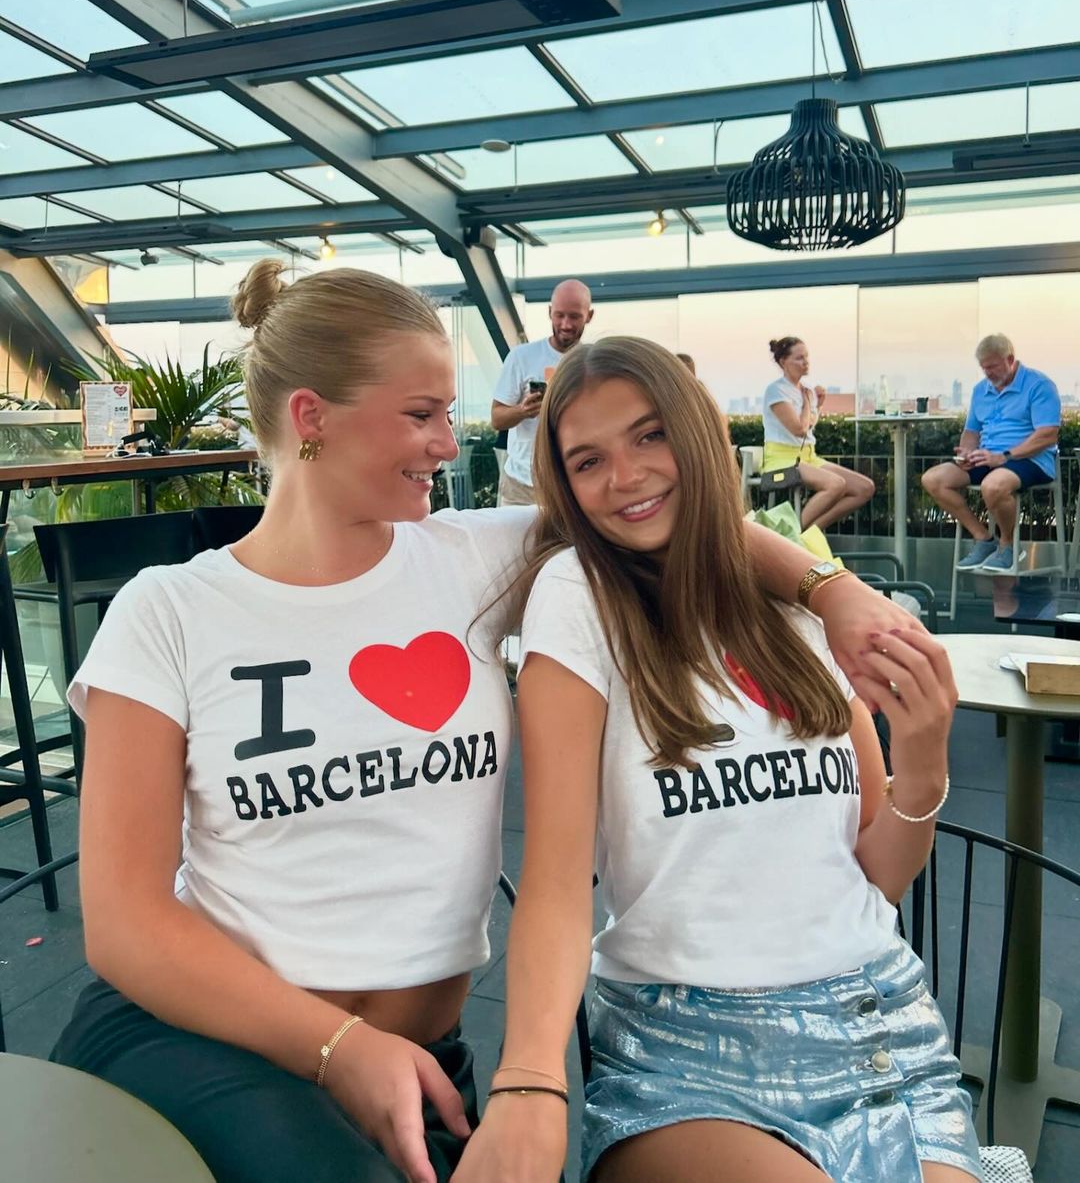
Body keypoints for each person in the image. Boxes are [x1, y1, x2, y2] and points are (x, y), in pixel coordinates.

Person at [49, 263, 933, 1183]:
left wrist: (833, 591)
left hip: (419, 1065)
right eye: (421, 413)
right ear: (312, 417)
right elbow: (125, 923)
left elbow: (668, 510)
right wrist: (341, 1047)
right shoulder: (169, 610)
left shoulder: (472, 556)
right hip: (210, 1042)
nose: (450, 439)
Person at [452, 337, 981, 1183]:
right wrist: (529, 1078)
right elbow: (555, 881)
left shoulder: (799, 611)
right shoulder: (580, 597)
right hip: (687, 1045)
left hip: (882, 1023)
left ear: (695, 432)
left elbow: (876, 873)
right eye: (588, 460)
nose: (625, 475)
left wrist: (921, 761)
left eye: (650, 434)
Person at [922, 334, 1060, 573]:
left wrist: (1005, 456)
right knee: (933, 479)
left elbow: (1047, 435)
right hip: (988, 457)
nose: (988, 373)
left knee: (993, 486)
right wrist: (967, 452)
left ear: (1010, 359)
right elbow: (971, 432)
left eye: (993, 366)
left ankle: (1008, 545)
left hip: (1030, 459)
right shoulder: (980, 390)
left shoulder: (1039, 385)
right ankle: (984, 539)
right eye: (984, 368)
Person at [491, 279, 594, 506]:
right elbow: (497, 419)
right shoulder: (521, 357)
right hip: (521, 485)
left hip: (572, 485)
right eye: (559, 315)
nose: (566, 324)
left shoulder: (595, 362)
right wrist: (523, 411)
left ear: (589, 316)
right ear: (549, 312)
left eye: (574, 316)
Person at [763, 335, 874, 531]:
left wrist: (818, 405)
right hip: (782, 460)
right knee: (835, 485)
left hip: (808, 457)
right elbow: (799, 429)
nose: (805, 362)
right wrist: (808, 403)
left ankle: (809, 532)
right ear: (783, 362)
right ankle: (791, 534)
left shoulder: (807, 390)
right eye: (799, 358)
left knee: (864, 488)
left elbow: (810, 423)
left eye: (806, 357)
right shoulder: (776, 391)